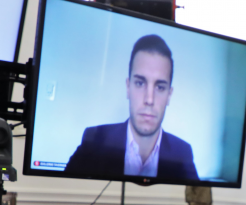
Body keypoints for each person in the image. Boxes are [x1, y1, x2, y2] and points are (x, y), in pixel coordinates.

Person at [65, 35, 198, 181]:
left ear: (169, 95)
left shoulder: (182, 153)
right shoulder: (94, 140)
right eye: (140, 83)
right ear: (128, 88)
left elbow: (200, 196)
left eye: (160, 87)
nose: (149, 100)